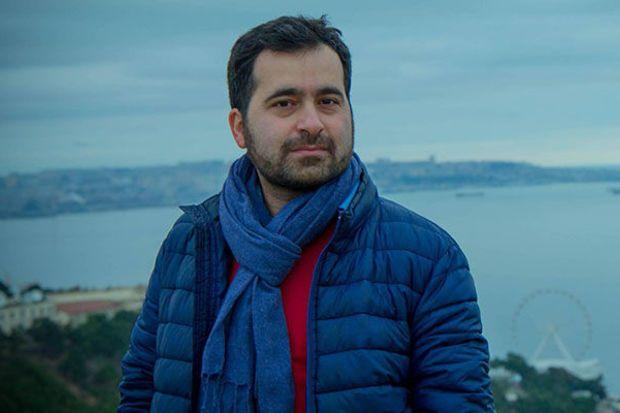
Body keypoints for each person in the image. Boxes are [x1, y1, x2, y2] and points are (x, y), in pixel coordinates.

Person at [118, 15, 494, 413]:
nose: (312, 123)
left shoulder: (427, 258)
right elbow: (142, 391)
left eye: (328, 101)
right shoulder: (191, 243)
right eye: (285, 103)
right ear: (239, 127)